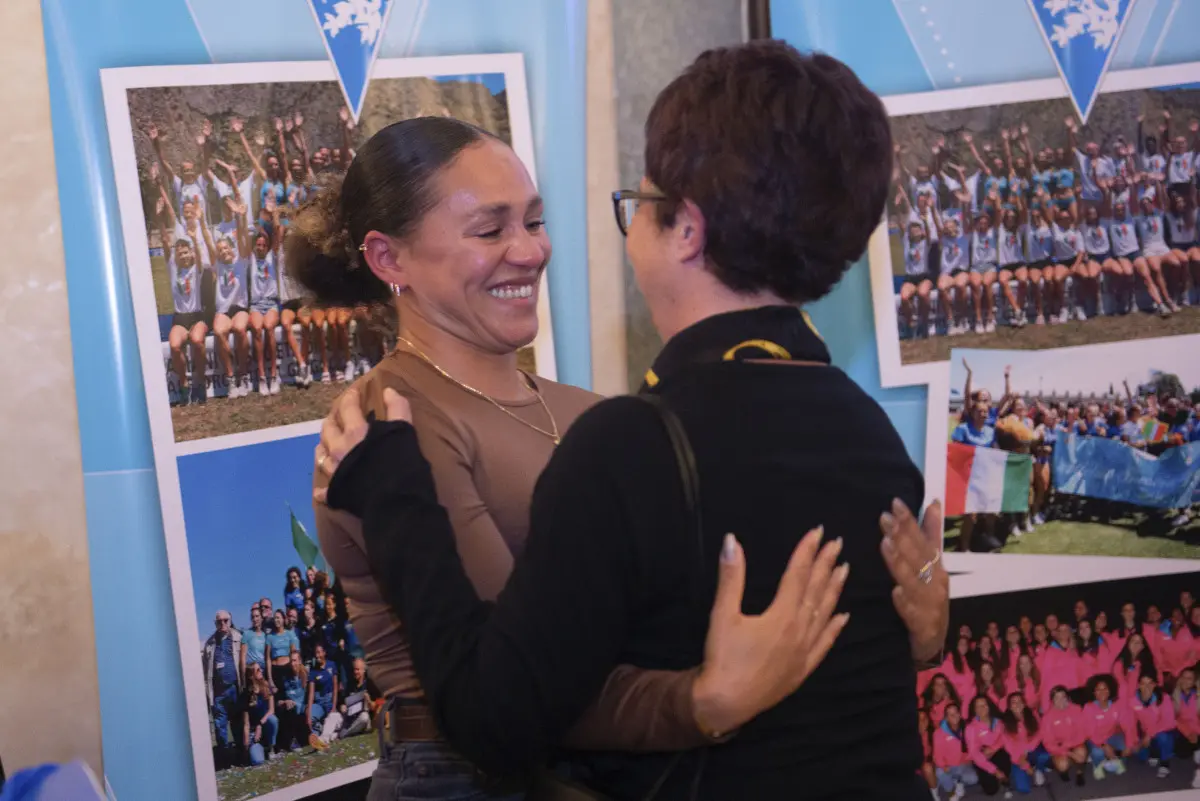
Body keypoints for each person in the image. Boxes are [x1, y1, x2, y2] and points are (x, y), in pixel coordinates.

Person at [303, 41, 948, 801]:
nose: (533, 249)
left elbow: (503, 704)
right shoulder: (863, 429)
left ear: (687, 231)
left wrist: (712, 698)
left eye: (637, 201)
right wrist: (919, 633)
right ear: (389, 258)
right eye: (491, 228)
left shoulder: (626, 434)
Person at [202, 610, 244, 759]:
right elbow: (205, 668)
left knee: (237, 723)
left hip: (234, 688)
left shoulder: (239, 638)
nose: (223, 624)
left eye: (225, 620)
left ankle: (240, 753)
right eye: (219, 621)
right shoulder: (210, 643)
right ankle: (225, 756)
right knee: (220, 726)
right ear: (215, 623)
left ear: (230, 621)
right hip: (219, 692)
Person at [932, 702, 978, 801]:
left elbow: (972, 749)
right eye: (950, 715)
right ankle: (951, 792)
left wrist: (968, 758)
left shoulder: (967, 728)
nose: (954, 716)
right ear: (946, 718)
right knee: (940, 772)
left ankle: (957, 781)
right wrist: (943, 766)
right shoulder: (939, 732)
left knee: (973, 779)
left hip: (963, 764)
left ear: (960, 714)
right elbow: (937, 755)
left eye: (956, 713)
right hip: (948, 765)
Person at [242, 662, 278, 766]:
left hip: (264, 724)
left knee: (273, 720)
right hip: (254, 733)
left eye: (260, 669)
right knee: (257, 761)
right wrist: (246, 745)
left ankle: (271, 748)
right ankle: (259, 747)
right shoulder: (247, 694)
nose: (261, 671)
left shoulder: (266, 686)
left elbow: (271, 710)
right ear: (251, 675)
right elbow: (246, 723)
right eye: (258, 670)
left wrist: (260, 724)